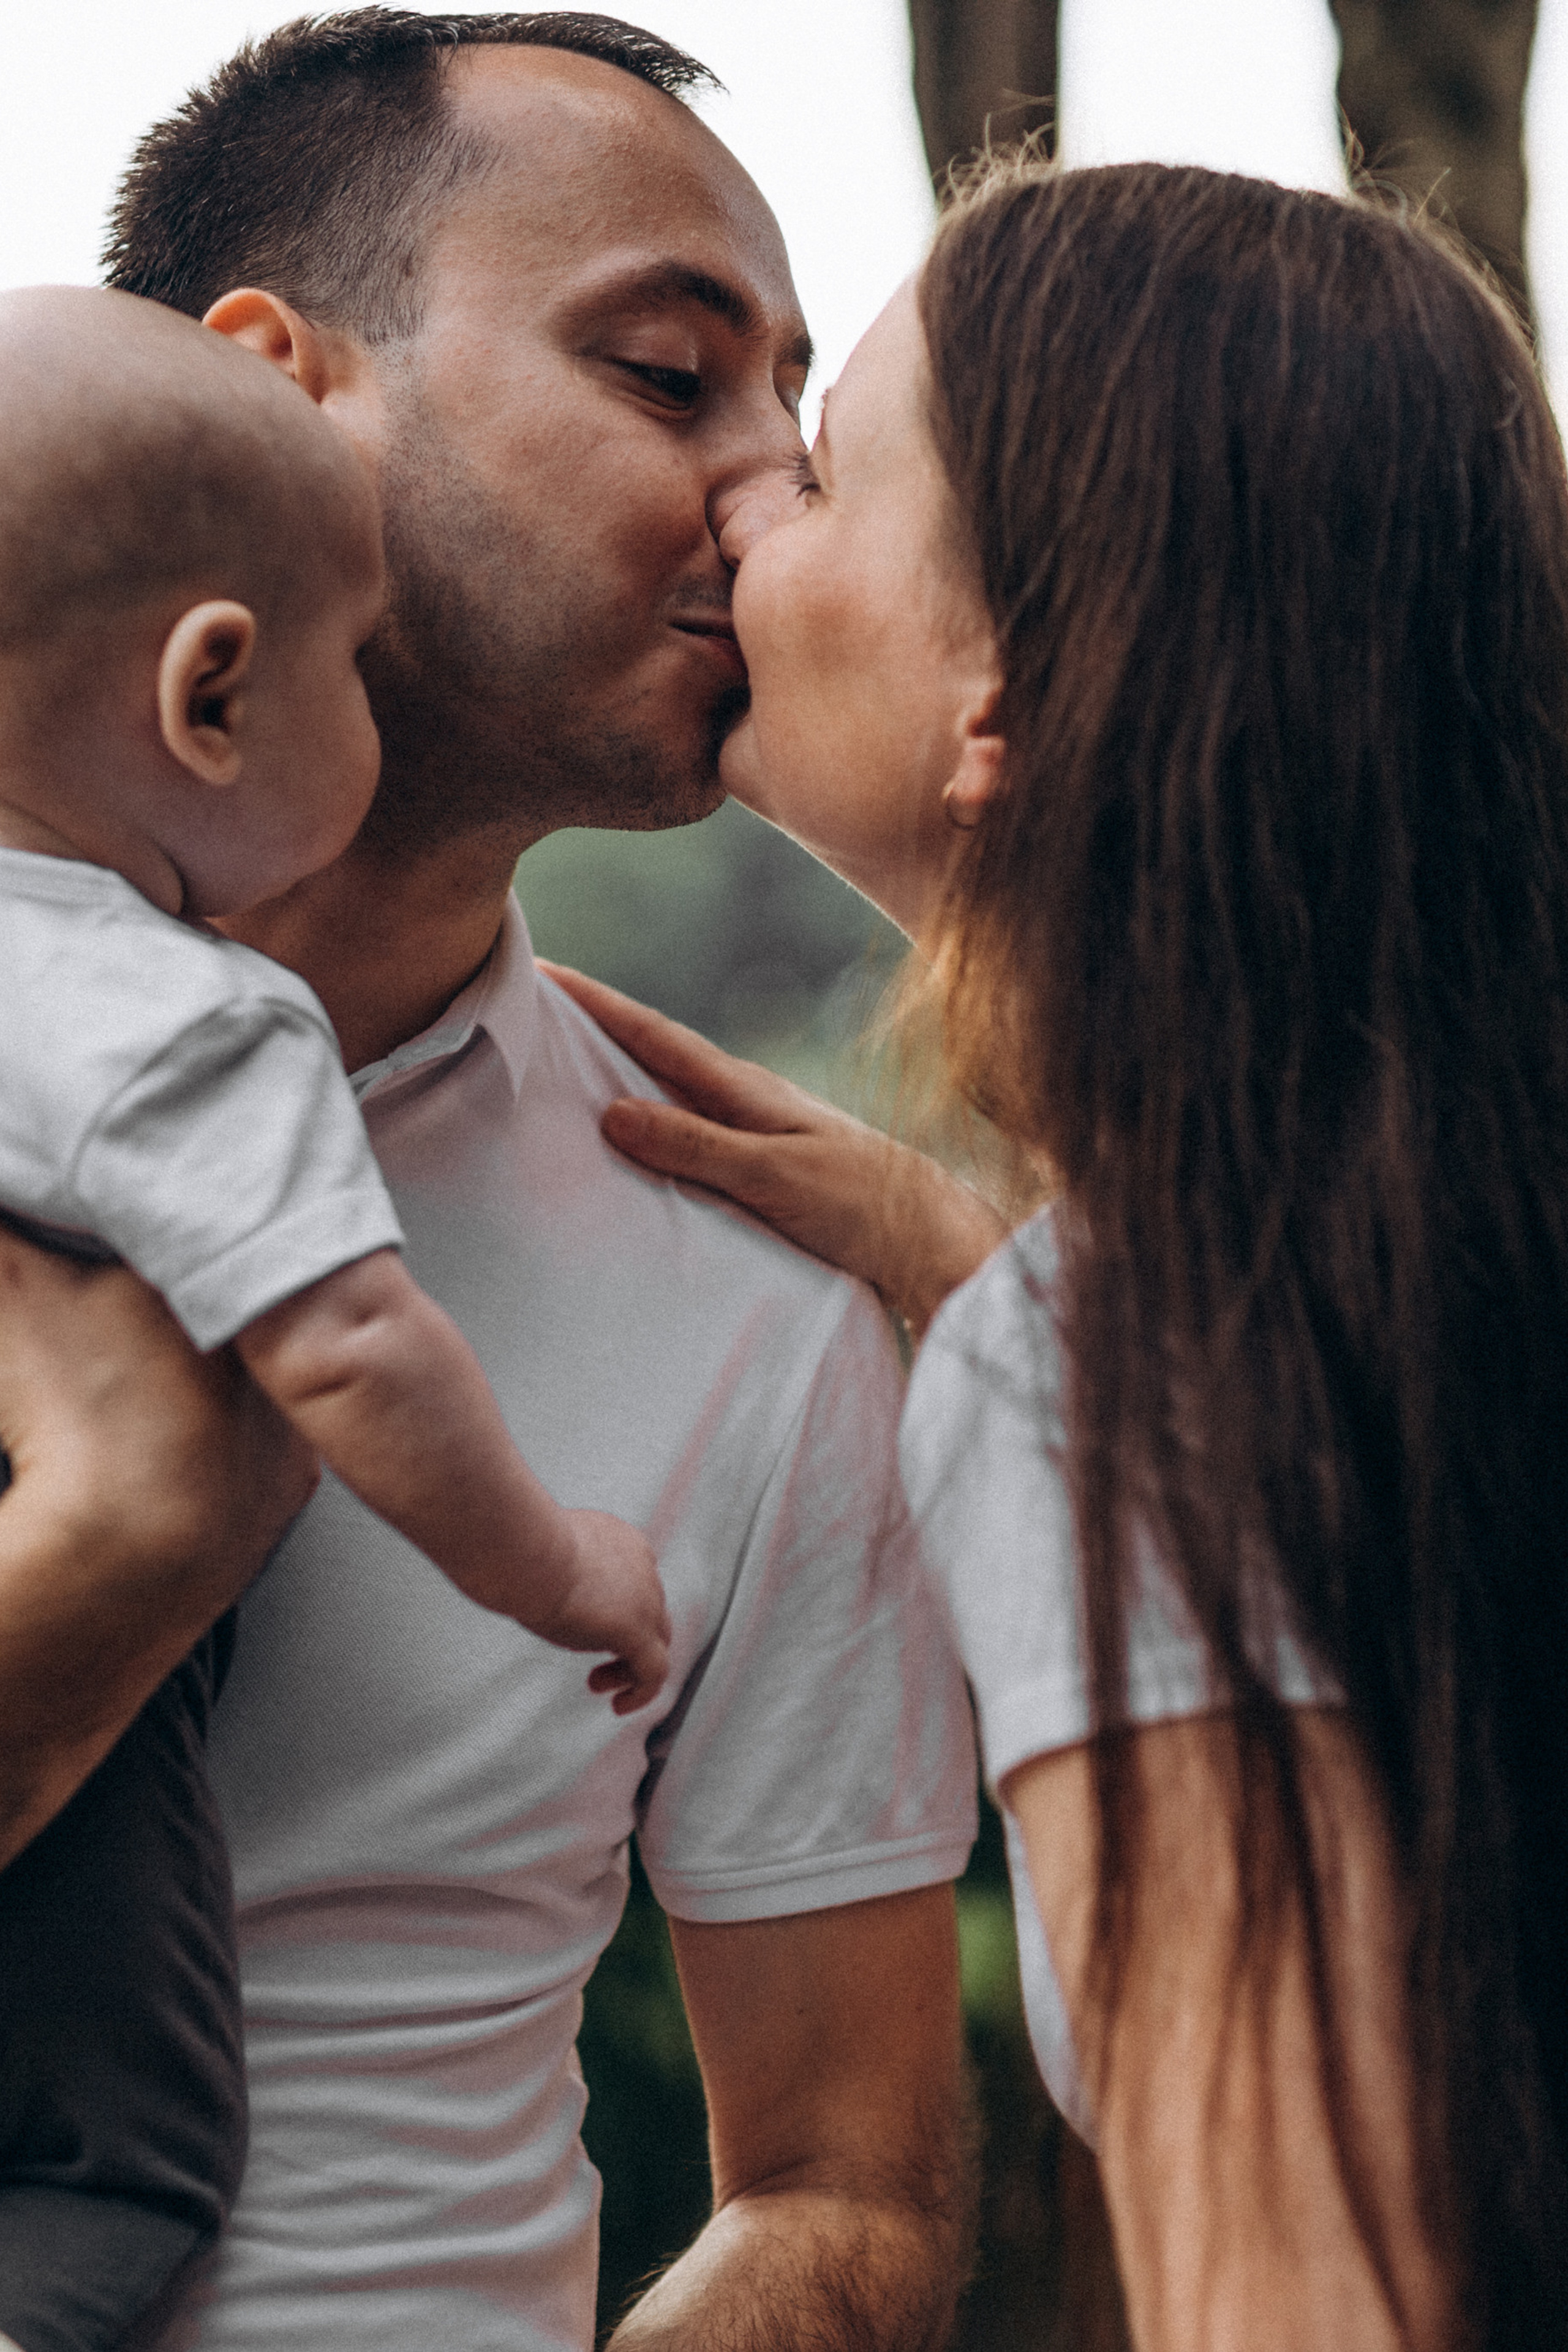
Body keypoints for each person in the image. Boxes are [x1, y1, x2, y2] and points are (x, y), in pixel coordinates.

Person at [0, 14, 979, 2351]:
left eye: (802, 419)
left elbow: (853, 2189)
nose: (765, 502)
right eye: (669, 374)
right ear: (283, 387)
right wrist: (118, 1549)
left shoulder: (773, 1263)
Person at [558, 159, 1568, 2350]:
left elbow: (1303, 2294)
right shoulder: (1373, 1271)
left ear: (1006, 688)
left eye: (821, 476)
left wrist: (1055, 1346)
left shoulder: (1124, 1367)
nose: (739, 512)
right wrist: (979, 1255)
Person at [0, 281, 669, 2351]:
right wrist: (556, 1566)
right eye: (358, 666)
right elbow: (351, 1352)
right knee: (121, 2133)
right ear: (211, 698)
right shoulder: (186, 1020)